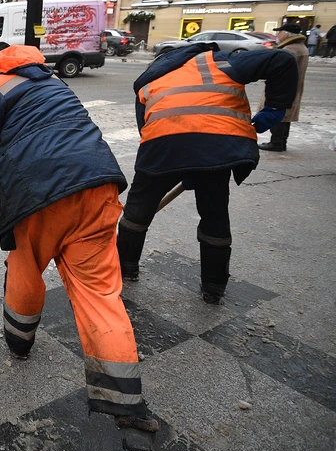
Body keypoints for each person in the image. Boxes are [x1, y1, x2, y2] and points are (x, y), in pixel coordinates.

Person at [0, 45, 159, 446]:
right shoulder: (54, 82)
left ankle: (19, 343)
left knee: (25, 269)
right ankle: (129, 412)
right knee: (100, 293)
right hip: (98, 185)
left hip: (37, 195)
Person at [116, 42, 298, 304]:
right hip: (217, 147)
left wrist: (178, 161)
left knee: (137, 210)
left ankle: (125, 267)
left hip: (163, 147)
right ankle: (214, 287)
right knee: (214, 213)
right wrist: (276, 107)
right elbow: (281, 60)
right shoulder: (217, 61)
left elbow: (145, 128)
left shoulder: (148, 82)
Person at [258, 24, 309, 152]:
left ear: (286, 34)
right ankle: (280, 142)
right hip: (292, 86)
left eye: (279, 32)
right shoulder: (300, 47)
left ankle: (276, 142)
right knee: (286, 115)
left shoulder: (290, 50)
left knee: (278, 113)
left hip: (282, 86)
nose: (277, 35)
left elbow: (277, 68)